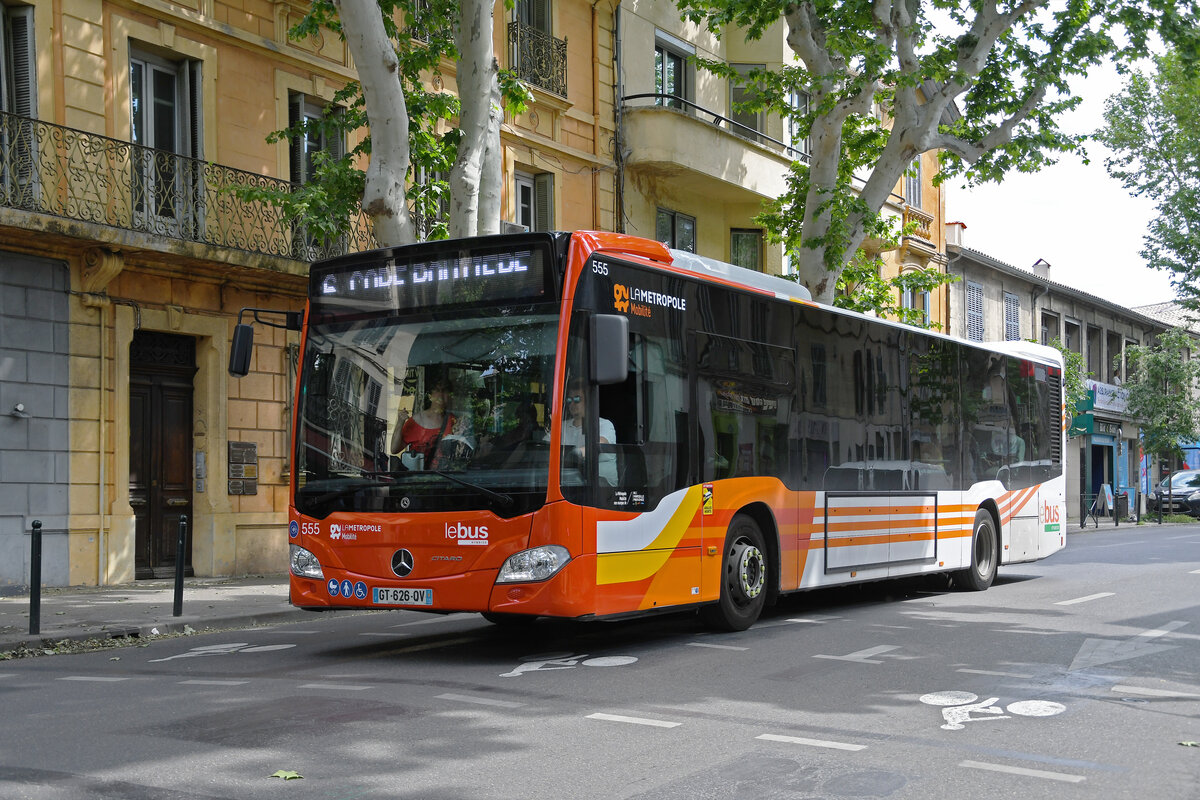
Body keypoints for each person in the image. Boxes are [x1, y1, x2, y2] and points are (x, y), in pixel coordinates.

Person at [390, 377, 456, 469]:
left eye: (445, 391)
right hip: (420, 479)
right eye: (437, 390)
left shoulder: (453, 421)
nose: (440, 395)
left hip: (448, 478)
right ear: (430, 395)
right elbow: (394, 449)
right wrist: (400, 422)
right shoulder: (416, 420)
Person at [561, 379, 617, 485]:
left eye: (577, 399)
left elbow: (600, 443)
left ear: (588, 401)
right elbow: (546, 445)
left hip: (602, 486)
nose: (572, 404)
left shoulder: (604, 424)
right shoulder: (562, 426)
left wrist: (577, 453)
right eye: (569, 400)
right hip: (571, 480)